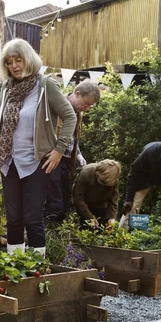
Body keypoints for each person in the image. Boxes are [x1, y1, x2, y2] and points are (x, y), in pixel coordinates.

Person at [0, 39, 77, 255]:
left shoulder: (45, 85)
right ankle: (14, 266)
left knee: (32, 218)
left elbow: (69, 116)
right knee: (13, 218)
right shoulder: (6, 87)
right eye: (9, 62)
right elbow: (1, 121)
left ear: (28, 59)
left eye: (18, 60)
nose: (14, 66)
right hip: (9, 162)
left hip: (37, 162)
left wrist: (59, 150)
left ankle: (37, 269)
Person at [44, 80, 101, 223]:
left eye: (90, 105)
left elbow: (73, 138)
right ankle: (43, 236)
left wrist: (79, 155)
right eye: (86, 103)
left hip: (66, 162)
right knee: (54, 203)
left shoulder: (78, 113)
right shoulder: (58, 106)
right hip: (52, 159)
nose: (87, 108)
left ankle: (56, 237)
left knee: (64, 201)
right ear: (77, 94)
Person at [72, 159, 121, 228]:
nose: (103, 185)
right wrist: (90, 218)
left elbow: (113, 201)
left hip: (101, 205)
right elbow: (78, 198)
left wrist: (111, 218)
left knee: (102, 228)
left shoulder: (113, 178)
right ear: (97, 173)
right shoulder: (86, 173)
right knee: (86, 226)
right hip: (85, 204)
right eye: (102, 181)